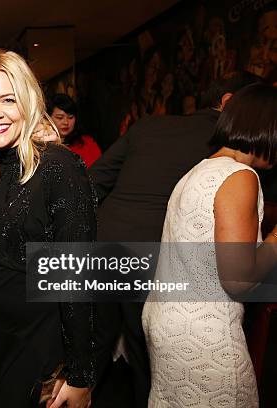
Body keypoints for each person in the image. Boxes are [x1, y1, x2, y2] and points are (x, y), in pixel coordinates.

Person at [87, 71, 263, 408]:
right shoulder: (229, 146)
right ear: (229, 103)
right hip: (158, 264)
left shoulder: (148, 126)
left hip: (105, 248)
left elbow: (92, 182)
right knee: (147, 365)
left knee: (93, 353)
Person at [0, 50, 95, 408]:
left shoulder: (60, 168)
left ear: (29, 101)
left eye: (8, 99)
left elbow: (75, 276)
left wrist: (80, 372)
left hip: (35, 338)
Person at [142, 83, 277, 407]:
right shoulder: (240, 177)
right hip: (204, 332)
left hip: (167, 320)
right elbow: (239, 280)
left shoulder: (197, 171)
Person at [48, 93, 101, 167]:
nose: (66, 122)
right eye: (60, 118)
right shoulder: (43, 146)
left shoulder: (87, 143)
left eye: (70, 117)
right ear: (48, 119)